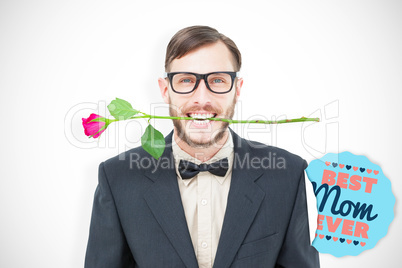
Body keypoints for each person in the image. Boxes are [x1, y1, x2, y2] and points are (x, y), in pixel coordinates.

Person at [85, 25, 320, 268]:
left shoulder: (288, 175)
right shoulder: (117, 179)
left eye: (217, 80)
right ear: (165, 90)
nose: (202, 99)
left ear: (237, 89)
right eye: (186, 80)